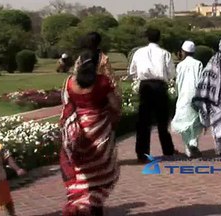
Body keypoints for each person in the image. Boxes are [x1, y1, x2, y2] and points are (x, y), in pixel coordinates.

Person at [60, 49, 121, 216]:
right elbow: (115, 106)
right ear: (98, 63)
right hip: (98, 132)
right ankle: (91, 206)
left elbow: (66, 105)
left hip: (77, 133)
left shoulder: (69, 82)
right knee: (102, 173)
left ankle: (78, 204)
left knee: (80, 172)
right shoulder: (102, 82)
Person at [128, 27, 178, 162]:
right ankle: (168, 150)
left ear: (147, 38)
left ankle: (142, 153)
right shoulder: (165, 53)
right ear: (159, 38)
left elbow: (132, 71)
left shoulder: (138, 53)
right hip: (159, 86)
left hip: (145, 86)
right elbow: (172, 73)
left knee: (143, 121)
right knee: (162, 120)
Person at [171, 41, 204, 158]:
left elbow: (178, 82)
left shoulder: (180, 65)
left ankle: (188, 148)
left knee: (184, 121)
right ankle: (193, 143)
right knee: (195, 121)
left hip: (183, 95)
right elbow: (201, 81)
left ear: (183, 52)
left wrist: (177, 93)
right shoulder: (199, 64)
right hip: (195, 95)